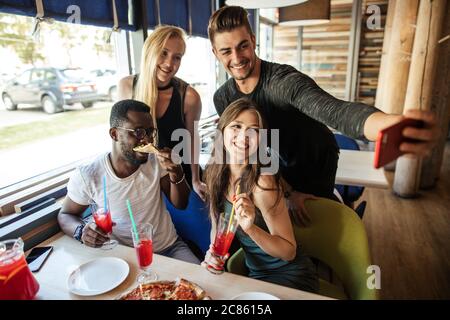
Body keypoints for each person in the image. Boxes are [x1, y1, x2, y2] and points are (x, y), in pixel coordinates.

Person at [207, 6, 438, 224]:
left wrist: (390, 126)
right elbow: (253, 152)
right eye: (226, 51)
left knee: (314, 221)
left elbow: (337, 111)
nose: (236, 58)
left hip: (315, 161)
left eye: (243, 46)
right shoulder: (223, 99)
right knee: (284, 221)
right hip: (277, 163)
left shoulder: (282, 82)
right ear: (215, 53)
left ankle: (342, 225)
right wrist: (287, 191)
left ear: (254, 41)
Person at [57, 99, 200, 264]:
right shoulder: (89, 175)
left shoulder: (157, 161)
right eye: (138, 132)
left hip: (170, 247)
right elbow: (65, 215)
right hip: (122, 257)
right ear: (114, 134)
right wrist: (81, 231)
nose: (147, 140)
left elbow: (180, 204)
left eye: (150, 132)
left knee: (204, 285)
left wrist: (176, 173)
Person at [202, 98, 318, 293]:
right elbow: (217, 225)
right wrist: (213, 252)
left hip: (288, 275)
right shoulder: (214, 174)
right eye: (236, 126)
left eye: (253, 130)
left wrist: (250, 229)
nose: (243, 136)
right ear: (222, 131)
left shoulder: (262, 184)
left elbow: (289, 251)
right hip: (255, 276)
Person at [118, 25, 206, 201]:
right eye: (163, 53)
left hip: (179, 180)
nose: (169, 64)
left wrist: (196, 180)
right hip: (144, 180)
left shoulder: (189, 97)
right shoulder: (127, 87)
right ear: (150, 51)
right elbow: (121, 137)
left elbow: (192, 139)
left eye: (177, 57)